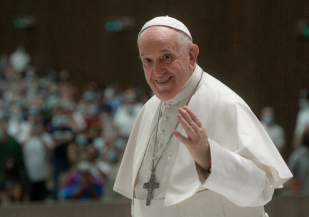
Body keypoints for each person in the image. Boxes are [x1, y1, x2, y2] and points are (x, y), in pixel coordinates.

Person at [114, 16, 292, 217]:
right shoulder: (149, 109)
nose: (157, 71)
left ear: (191, 55)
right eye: (147, 61)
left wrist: (209, 158)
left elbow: (263, 190)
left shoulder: (224, 103)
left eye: (166, 57)